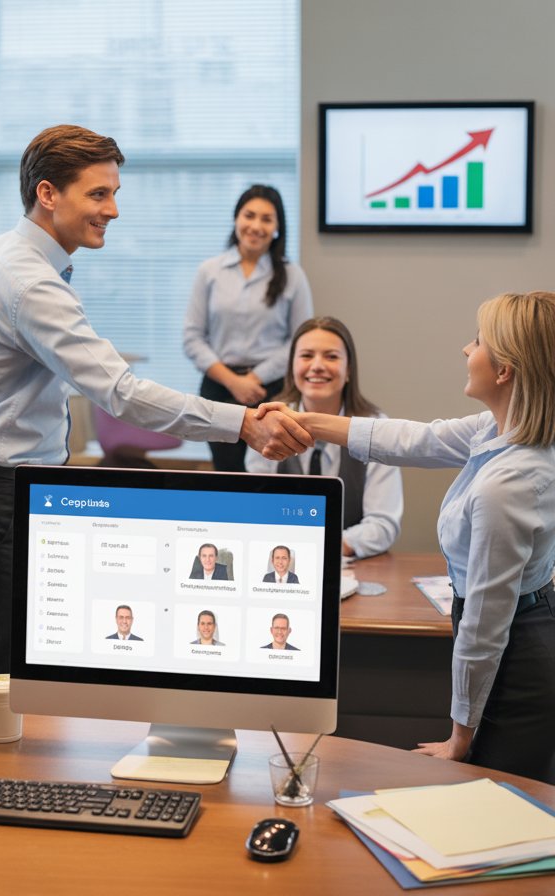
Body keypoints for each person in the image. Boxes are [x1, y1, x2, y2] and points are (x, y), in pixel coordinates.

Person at [0, 125, 311, 675]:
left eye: (115, 194)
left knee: (21, 665)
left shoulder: (4, 251)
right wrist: (243, 423)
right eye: (98, 194)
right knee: (6, 674)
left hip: (10, 487)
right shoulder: (31, 283)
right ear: (48, 193)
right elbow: (121, 393)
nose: (112, 210)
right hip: (3, 499)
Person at [262, 291, 555, 783]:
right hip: (518, 635)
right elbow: (414, 439)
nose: (467, 349)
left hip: (519, 657)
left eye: (478, 342)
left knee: (493, 803)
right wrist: (305, 421)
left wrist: (461, 736)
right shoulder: (499, 429)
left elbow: (484, 626)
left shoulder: (507, 487)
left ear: (504, 371)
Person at [246, 316, 403, 558]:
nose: (317, 366)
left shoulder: (375, 427)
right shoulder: (268, 422)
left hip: (349, 568)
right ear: (292, 368)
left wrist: (322, 548)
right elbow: (256, 511)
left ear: (348, 370)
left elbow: (383, 525)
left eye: (331, 356)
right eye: (307, 356)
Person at [183, 185, 314, 472]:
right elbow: (192, 337)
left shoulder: (292, 276)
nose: (256, 226)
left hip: (273, 391)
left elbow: (300, 342)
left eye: (266, 219)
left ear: (278, 227)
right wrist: (234, 382)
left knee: (270, 474)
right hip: (219, 388)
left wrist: (254, 377)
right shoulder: (210, 271)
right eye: (249, 215)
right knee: (228, 474)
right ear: (236, 219)